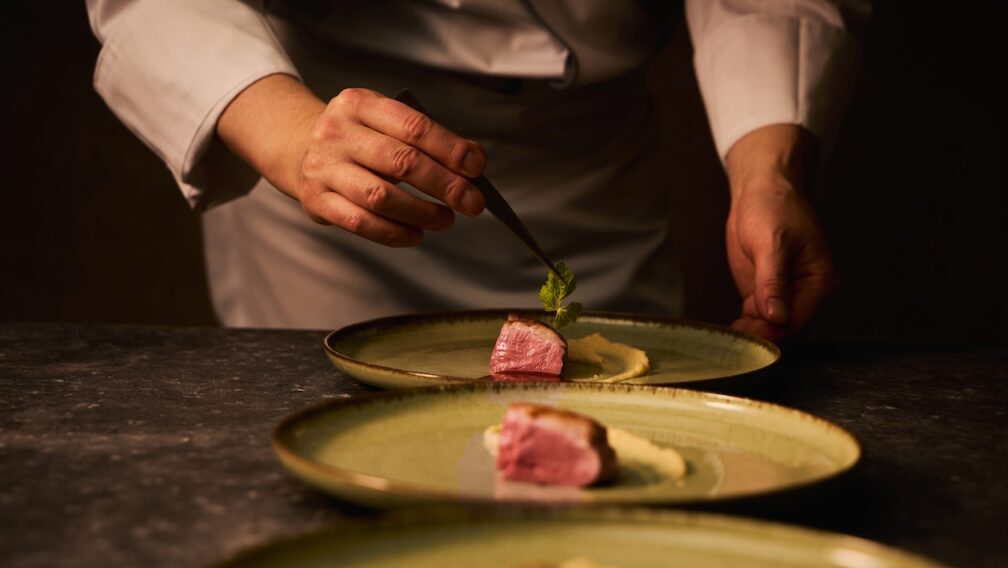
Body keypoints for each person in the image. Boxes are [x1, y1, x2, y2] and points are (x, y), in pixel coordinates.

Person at [86, 0, 866, 341]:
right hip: (324, 156)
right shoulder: (308, 139)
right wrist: (293, 134)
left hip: (587, 178)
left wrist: (771, 173)